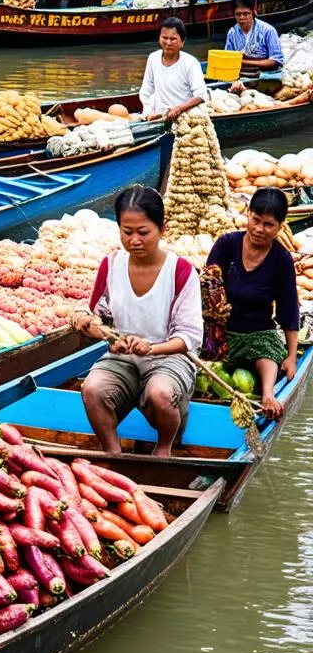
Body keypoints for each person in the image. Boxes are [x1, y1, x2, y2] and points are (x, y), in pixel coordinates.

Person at [70, 185, 203, 457]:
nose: (134, 240)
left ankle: (164, 448)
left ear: (162, 228)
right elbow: (97, 316)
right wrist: (102, 332)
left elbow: (188, 338)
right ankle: (114, 454)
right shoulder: (111, 265)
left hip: (168, 357)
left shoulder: (180, 271)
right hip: (123, 357)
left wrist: (150, 348)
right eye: (126, 232)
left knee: (161, 394)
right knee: (92, 388)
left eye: (143, 232)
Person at [205, 188, 300, 420]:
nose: (259, 229)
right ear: (248, 214)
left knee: (267, 354)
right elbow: (208, 282)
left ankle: (268, 396)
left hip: (258, 331)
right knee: (204, 363)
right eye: (255, 220)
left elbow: (289, 308)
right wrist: (214, 307)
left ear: (280, 226)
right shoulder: (226, 244)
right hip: (221, 329)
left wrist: (291, 356)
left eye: (268, 225)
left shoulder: (281, 259)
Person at [139, 17, 209, 122]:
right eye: (164, 37)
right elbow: (146, 91)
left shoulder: (190, 62)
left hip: (184, 115)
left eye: (173, 39)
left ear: (182, 42)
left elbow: (201, 95)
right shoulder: (153, 58)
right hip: (159, 115)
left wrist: (179, 108)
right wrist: (148, 114)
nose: (168, 42)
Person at [225, 0, 284, 76]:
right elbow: (228, 58)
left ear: (253, 13)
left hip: (264, 73)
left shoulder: (268, 30)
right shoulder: (232, 32)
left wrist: (243, 61)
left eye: (246, 14)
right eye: (238, 14)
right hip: (240, 73)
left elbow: (276, 60)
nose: (241, 17)